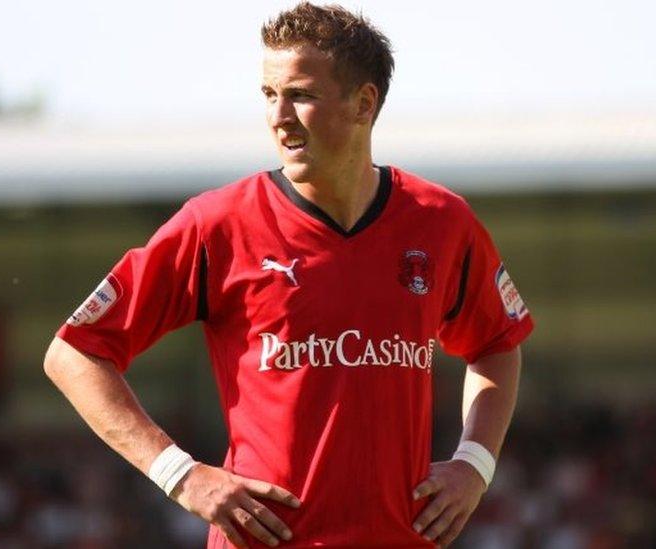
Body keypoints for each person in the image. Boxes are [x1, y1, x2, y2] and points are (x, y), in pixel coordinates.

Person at [44, 2, 533, 547]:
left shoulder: (442, 223)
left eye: (300, 95)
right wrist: (180, 474)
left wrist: (475, 463)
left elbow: (496, 342)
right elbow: (74, 353)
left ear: (363, 104)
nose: (278, 116)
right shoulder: (217, 225)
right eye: (268, 95)